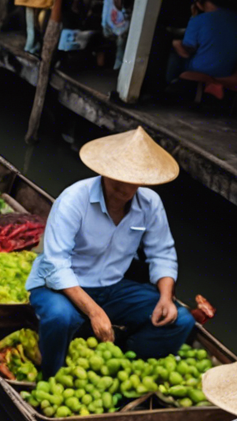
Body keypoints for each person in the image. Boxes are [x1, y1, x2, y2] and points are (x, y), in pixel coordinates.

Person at [24, 127, 196, 379]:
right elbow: (55, 265)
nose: (124, 184)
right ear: (104, 171)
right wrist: (95, 312)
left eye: (132, 178)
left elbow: (162, 254)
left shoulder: (150, 204)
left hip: (113, 288)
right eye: (118, 175)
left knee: (181, 320)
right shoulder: (74, 199)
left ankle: (128, 363)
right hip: (59, 287)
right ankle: (51, 376)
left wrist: (166, 297)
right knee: (61, 318)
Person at [165, 0, 237, 87]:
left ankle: (169, 84)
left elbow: (186, 52)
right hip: (226, 72)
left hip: (199, 71)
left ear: (199, 3)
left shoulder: (198, 20)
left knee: (173, 51)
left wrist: (175, 43)